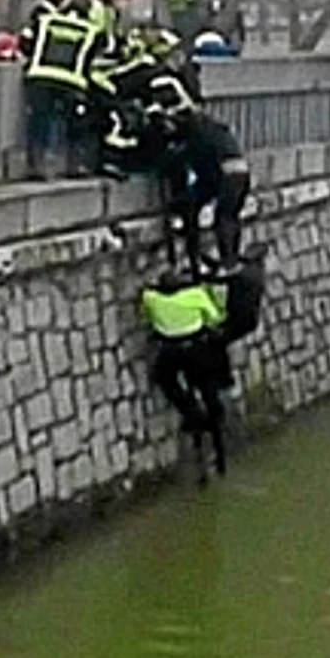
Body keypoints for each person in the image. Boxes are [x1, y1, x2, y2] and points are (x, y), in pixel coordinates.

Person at [141, 270, 232, 479]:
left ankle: (191, 411)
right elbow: (215, 318)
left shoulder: (152, 299)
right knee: (206, 380)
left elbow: (145, 303)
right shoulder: (196, 295)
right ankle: (215, 413)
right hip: (196, 347)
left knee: (164, 379)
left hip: (171, 350)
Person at [23, 0, 108, 181]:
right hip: (71, 82)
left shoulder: (45, 21)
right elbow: (102, 50)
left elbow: (25, 42)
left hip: (40, 77)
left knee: (40, 121)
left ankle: (37, 165)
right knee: (71, 123)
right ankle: (73, 164)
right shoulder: (91, 30)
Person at [158, 101, 252, 275]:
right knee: (231, 215)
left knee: (222, 217)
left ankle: (227, 263)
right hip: (240, 172)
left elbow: (184, 160)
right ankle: (231, 258)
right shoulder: (212, 129)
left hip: (226, 175)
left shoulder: (195, 136)